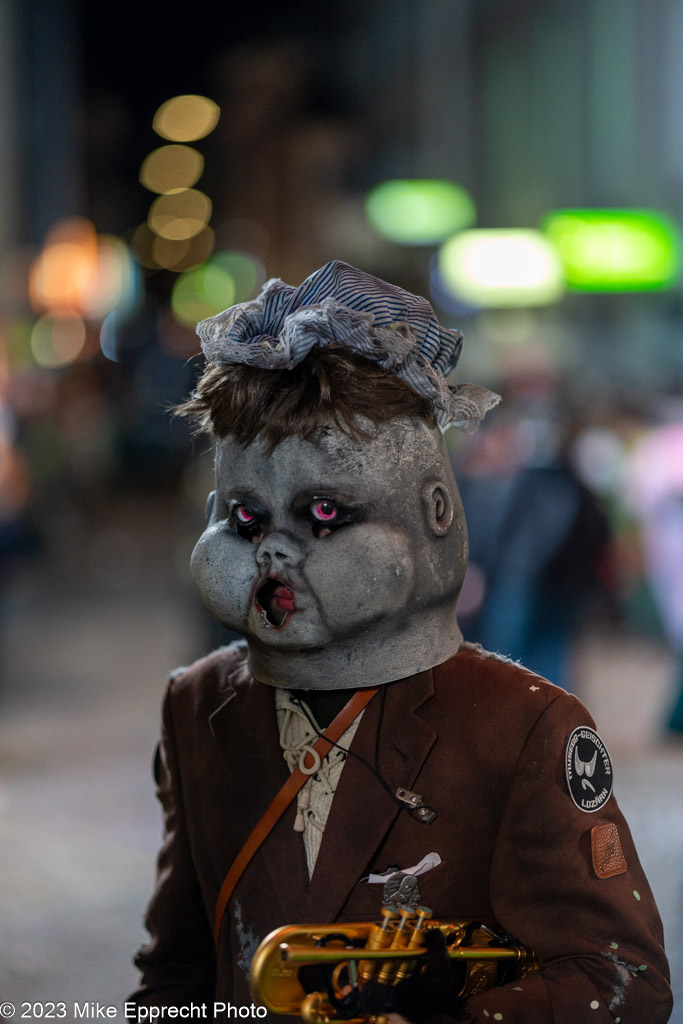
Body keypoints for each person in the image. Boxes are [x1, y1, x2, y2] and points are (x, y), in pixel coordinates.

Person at [129, 262, 672, 1023]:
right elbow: (176, 966)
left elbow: (622, 979)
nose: (273, 555)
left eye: (323, 514)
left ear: (436, 513)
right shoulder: (195, 708)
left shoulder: (522, 726)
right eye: (247, 520)